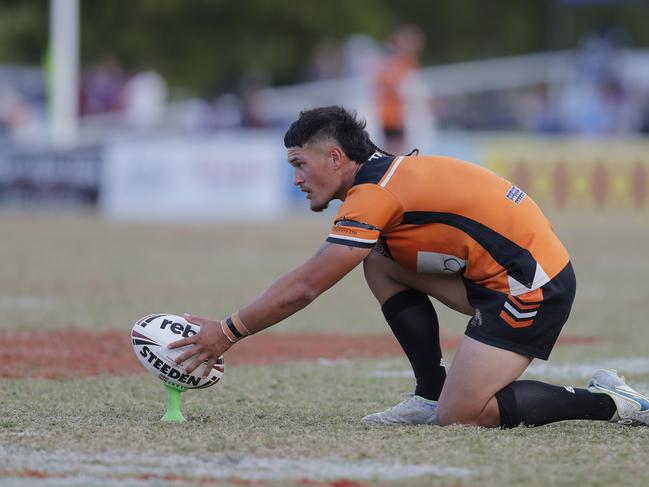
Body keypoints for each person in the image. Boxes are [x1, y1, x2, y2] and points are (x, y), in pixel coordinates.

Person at [170, 106, 649, 428]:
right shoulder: (384, 173)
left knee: (461, 415)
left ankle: (614, 403)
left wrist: (229, 331)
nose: (295, 178)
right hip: (492, 277)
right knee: (380, 262)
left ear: (336, 157)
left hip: (531, 288)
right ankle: (428, 392)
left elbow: (309, 284)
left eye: (300, 164)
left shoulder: (373, 194)